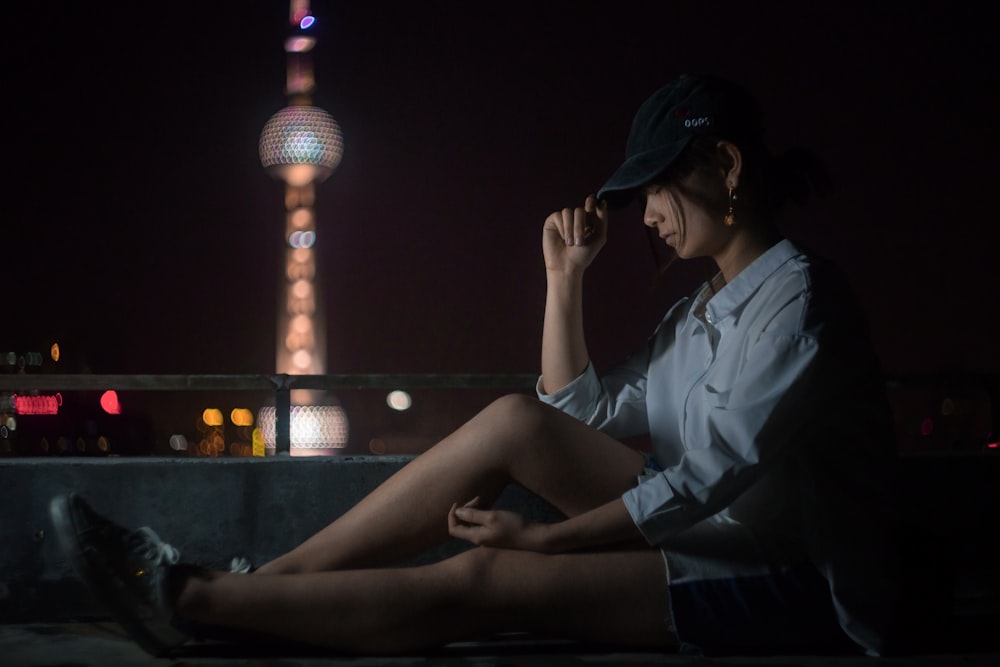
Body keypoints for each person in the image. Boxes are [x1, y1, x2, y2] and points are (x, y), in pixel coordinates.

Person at [49, 73, 900, 658]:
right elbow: (578, 420)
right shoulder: (703, 309)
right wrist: (562, 281)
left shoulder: (801, 301)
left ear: (725, 165)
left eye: (656, 186)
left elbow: (710, 474)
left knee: (491, 576)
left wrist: (549, 537)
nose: (644, 215)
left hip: (793, 581)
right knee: (511, 420)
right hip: (713, 536)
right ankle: (253, 594)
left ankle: (194, 598)